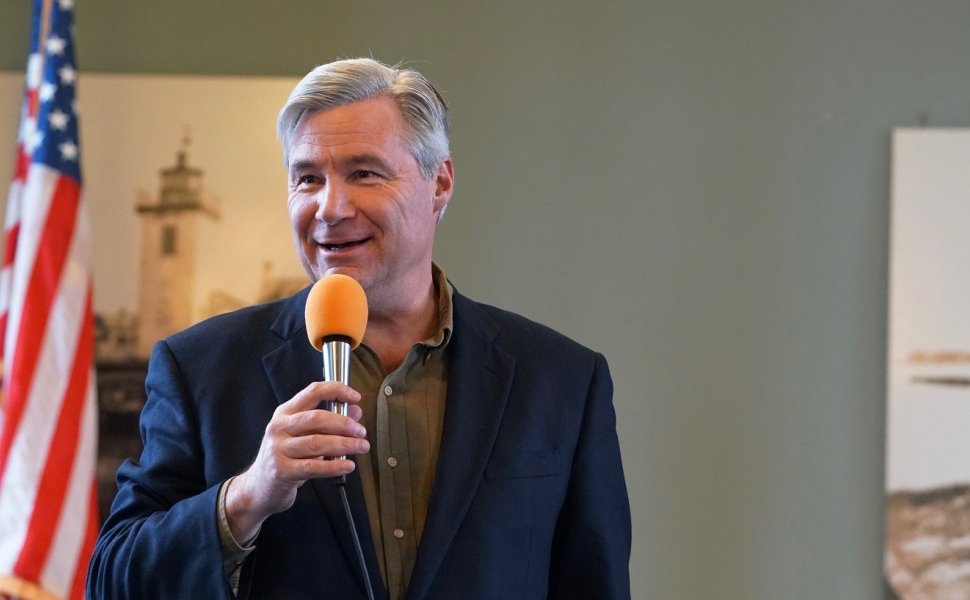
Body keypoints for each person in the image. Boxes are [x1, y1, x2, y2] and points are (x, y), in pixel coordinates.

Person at [88, 57, 631, 599]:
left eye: (364, 173)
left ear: (439, 182)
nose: (329, 207)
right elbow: (112, 581)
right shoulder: (200, 368)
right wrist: (246, 497)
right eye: (307, 178)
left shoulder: (560, 380)